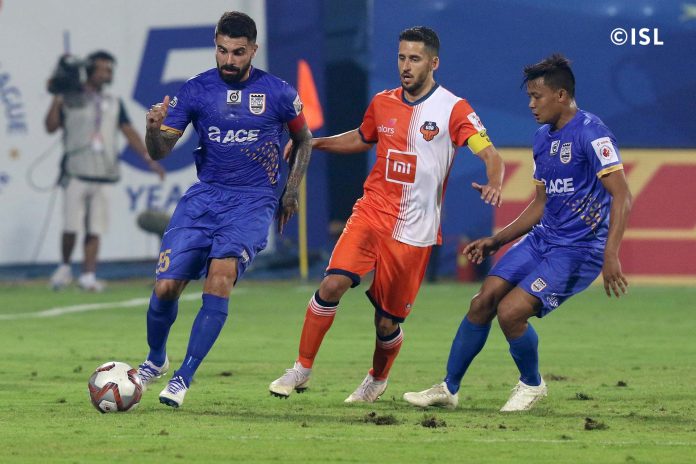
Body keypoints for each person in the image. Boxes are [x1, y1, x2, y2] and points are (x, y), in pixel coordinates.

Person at [269, 26, 504, 403]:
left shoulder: (454, 109)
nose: (406, 66)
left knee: (386, 321)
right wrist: (314, 143)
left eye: (415, 59)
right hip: (372, 211)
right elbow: (363, 137)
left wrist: (494, 181)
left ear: (433, 63)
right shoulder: (382, 102)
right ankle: (301, 369)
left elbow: (490, 154)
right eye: (401, 58)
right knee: (332, 284)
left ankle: (377, 379)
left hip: (415, 230)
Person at [403, 54, 632, 412]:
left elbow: (622, 195)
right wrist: (497, 240)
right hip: (542, 240)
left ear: (561, 95)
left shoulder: (592, 132)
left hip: (578, 250)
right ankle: (448, 389)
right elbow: (541, 203)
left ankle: (532, 384)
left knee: (511, 313)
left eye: (537, 97)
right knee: (482, 302)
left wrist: (611, 253)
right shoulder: (541, 138)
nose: (531, 105)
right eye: (529, 97)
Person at [138, 11, 312, 408]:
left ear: (253, 49)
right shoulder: (196, 90)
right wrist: (152, 128)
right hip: (205, 198)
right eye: (222, 50)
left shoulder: (278, 93)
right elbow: (160, 151)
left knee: (219, 279)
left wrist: (290, 191)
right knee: (165, 288)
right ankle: (156, 360)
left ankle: (183, 377)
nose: (229, 60)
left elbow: (304, 139)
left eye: (238, 52)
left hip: (252, 201)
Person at [46, 50, 165, 292]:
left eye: (109, 70)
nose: (107, 74)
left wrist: (148, 158)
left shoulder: (113, 102)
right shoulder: (71, 98)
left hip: (103, 172)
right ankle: (65, 267)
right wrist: (58, 96)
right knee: (71, 225)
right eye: (102, 69)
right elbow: (51, 126)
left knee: (95, 228)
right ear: (90, 70)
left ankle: (88, 275)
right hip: (76, 170)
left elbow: (128, 131)